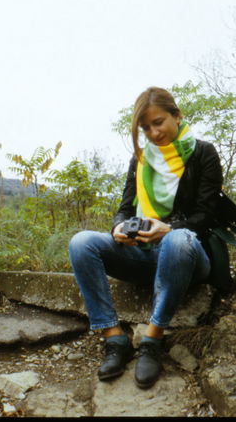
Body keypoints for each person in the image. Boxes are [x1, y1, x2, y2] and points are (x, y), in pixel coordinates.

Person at [67, 86, 224, 389]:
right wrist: (118, 228)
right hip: (142, 252)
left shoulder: (203, 153)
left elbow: (207, 216)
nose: (153, 133)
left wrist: (169, 228)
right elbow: (124, 209)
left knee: (179, 240)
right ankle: (115, 339)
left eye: (159, 122)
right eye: (145, 127)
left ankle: (152, 340)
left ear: (177, 116)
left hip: (188, 256)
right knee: (81, 242)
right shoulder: (140, 159)